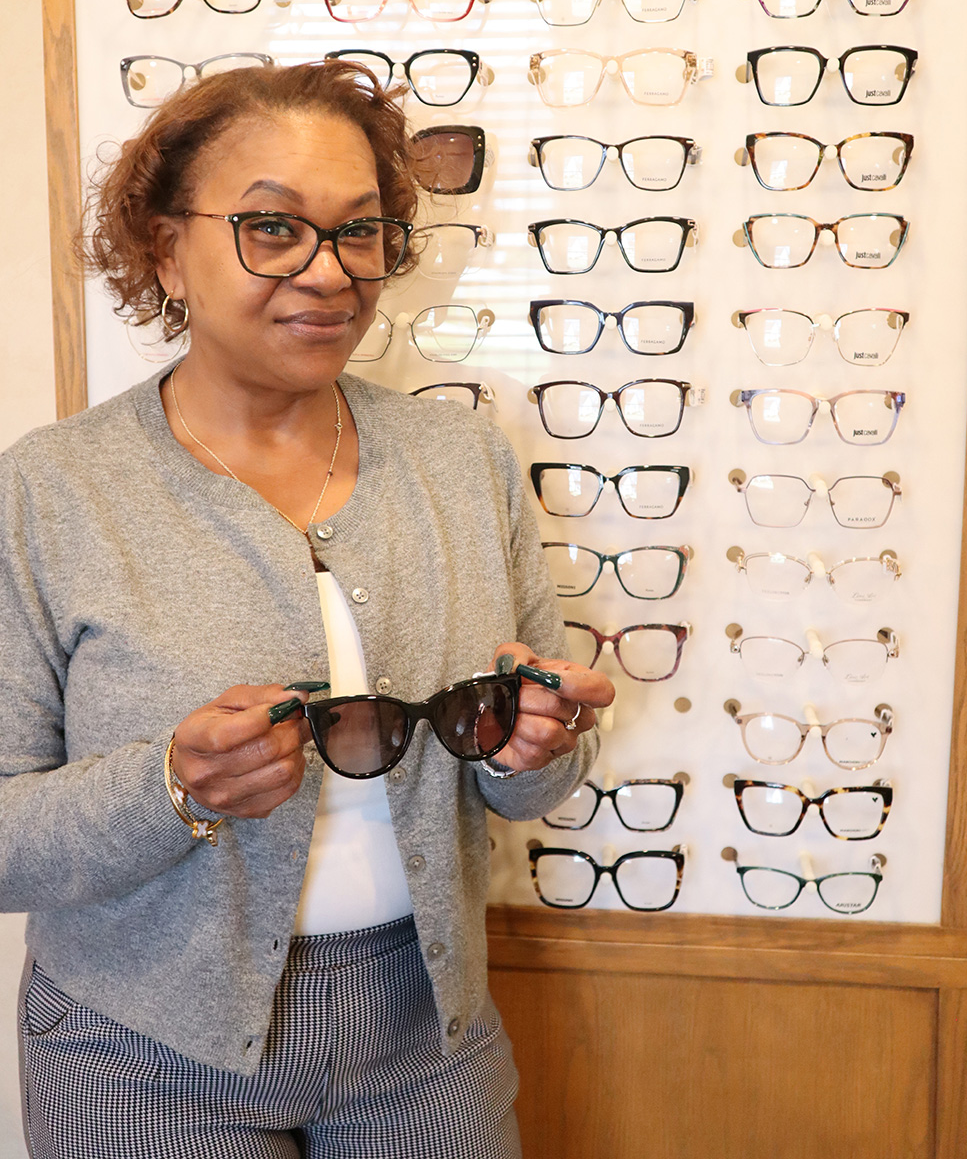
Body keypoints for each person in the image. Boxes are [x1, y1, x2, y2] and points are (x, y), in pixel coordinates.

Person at [0, 61, 614, 1158]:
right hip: (140, 1051)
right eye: (272, 230)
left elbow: (533, 783)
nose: (331, 274)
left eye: (359, 232)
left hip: (426, 1034)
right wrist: (171, 788)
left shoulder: (462, 461)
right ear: (162, 249)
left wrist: (533, 748)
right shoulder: (48, 494)